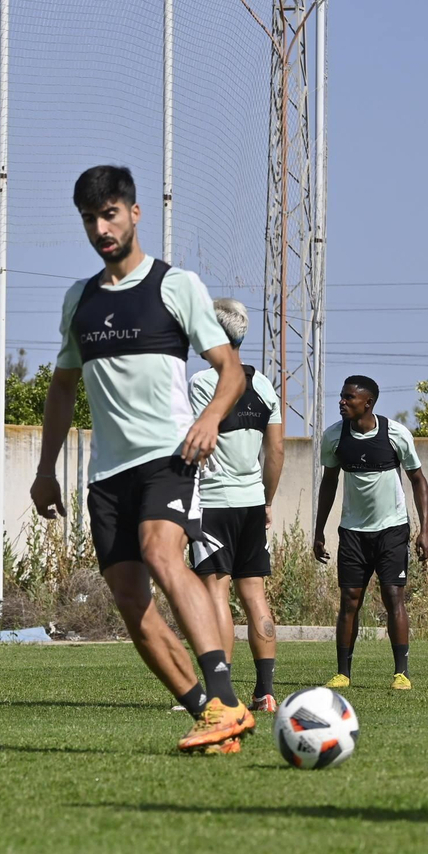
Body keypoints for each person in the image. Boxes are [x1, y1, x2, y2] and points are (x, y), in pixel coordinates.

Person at [32, 164, 256, 755]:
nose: (101, 228)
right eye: (89, 219)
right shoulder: (79, 301)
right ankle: (210, 714)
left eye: (109, 214)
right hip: (106, 476)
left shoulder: (174, 286)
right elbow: (61, 389)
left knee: (162, 551)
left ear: (134, 213)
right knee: (131, 603)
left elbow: (229, 370)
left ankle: (227, 696)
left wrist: (208, 420)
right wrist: (44, 468)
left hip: (170, 455)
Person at [188, 298, 284, 712]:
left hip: (213, 503)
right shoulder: (265, 386)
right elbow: (276, 451)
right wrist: (266, 499)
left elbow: (195, 444)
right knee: (256, 596)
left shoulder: (202, 384)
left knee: (215, 594)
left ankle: (220, 693)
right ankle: (264, 692)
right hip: (251, 504)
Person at [313, 376, 428, 690]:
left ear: (368, 403)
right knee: (350, 601)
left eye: (349, 398)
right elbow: (328, 483)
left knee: (394, 597)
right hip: (353, 532)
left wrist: (425, 530)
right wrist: (319, 530)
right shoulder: (335, 437)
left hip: (392, 530)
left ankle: (401, 673)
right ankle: (343, 674)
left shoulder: (395, 434)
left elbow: (419, 481)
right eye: (342, 396)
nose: (342, 402)